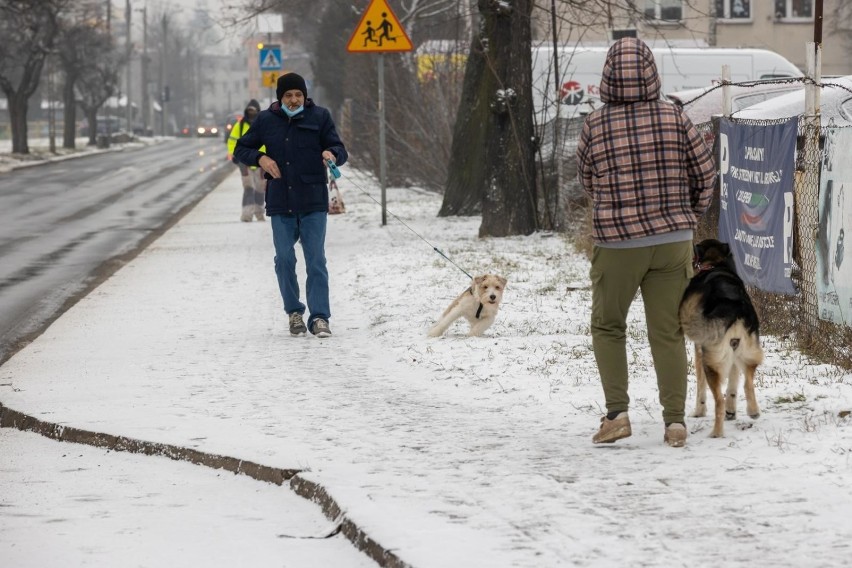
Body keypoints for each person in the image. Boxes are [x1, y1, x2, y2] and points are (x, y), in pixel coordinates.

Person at [575, 37, 716, 448]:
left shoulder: (595, 124)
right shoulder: (676, 118)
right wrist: (687, 213)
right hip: (671, 241)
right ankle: (674, 422)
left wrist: (611, 203)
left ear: (607, 77)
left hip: (617, 244)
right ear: (653, 73)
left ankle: (617, 414)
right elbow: (705, 173)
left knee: (607, 324)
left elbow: (586, 179)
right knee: (669, 331)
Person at [234, 73, 347, 339]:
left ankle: (319, 317)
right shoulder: (265, 120)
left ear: (305, 96)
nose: (294, 100)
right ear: (280, 98)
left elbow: (338, 148)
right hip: (280, 201)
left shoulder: (320, 117)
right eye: (288, 95)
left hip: (312, 201)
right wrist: (260, 158)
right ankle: (294, 312)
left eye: (298, 94)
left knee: (316, 260)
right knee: (284, 259)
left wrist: (331, 154)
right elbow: (241, 149)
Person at [227, 100, 266, 222]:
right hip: (244, 161)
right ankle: (246, 214)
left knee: (260, 187)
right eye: (249, 111)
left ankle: (259, 213)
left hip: (262, 161)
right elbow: (232, 141)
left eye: (253, 111)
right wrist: (236, 155)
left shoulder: (263, 125)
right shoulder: (240, 125)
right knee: (248, 187)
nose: (251, 113)